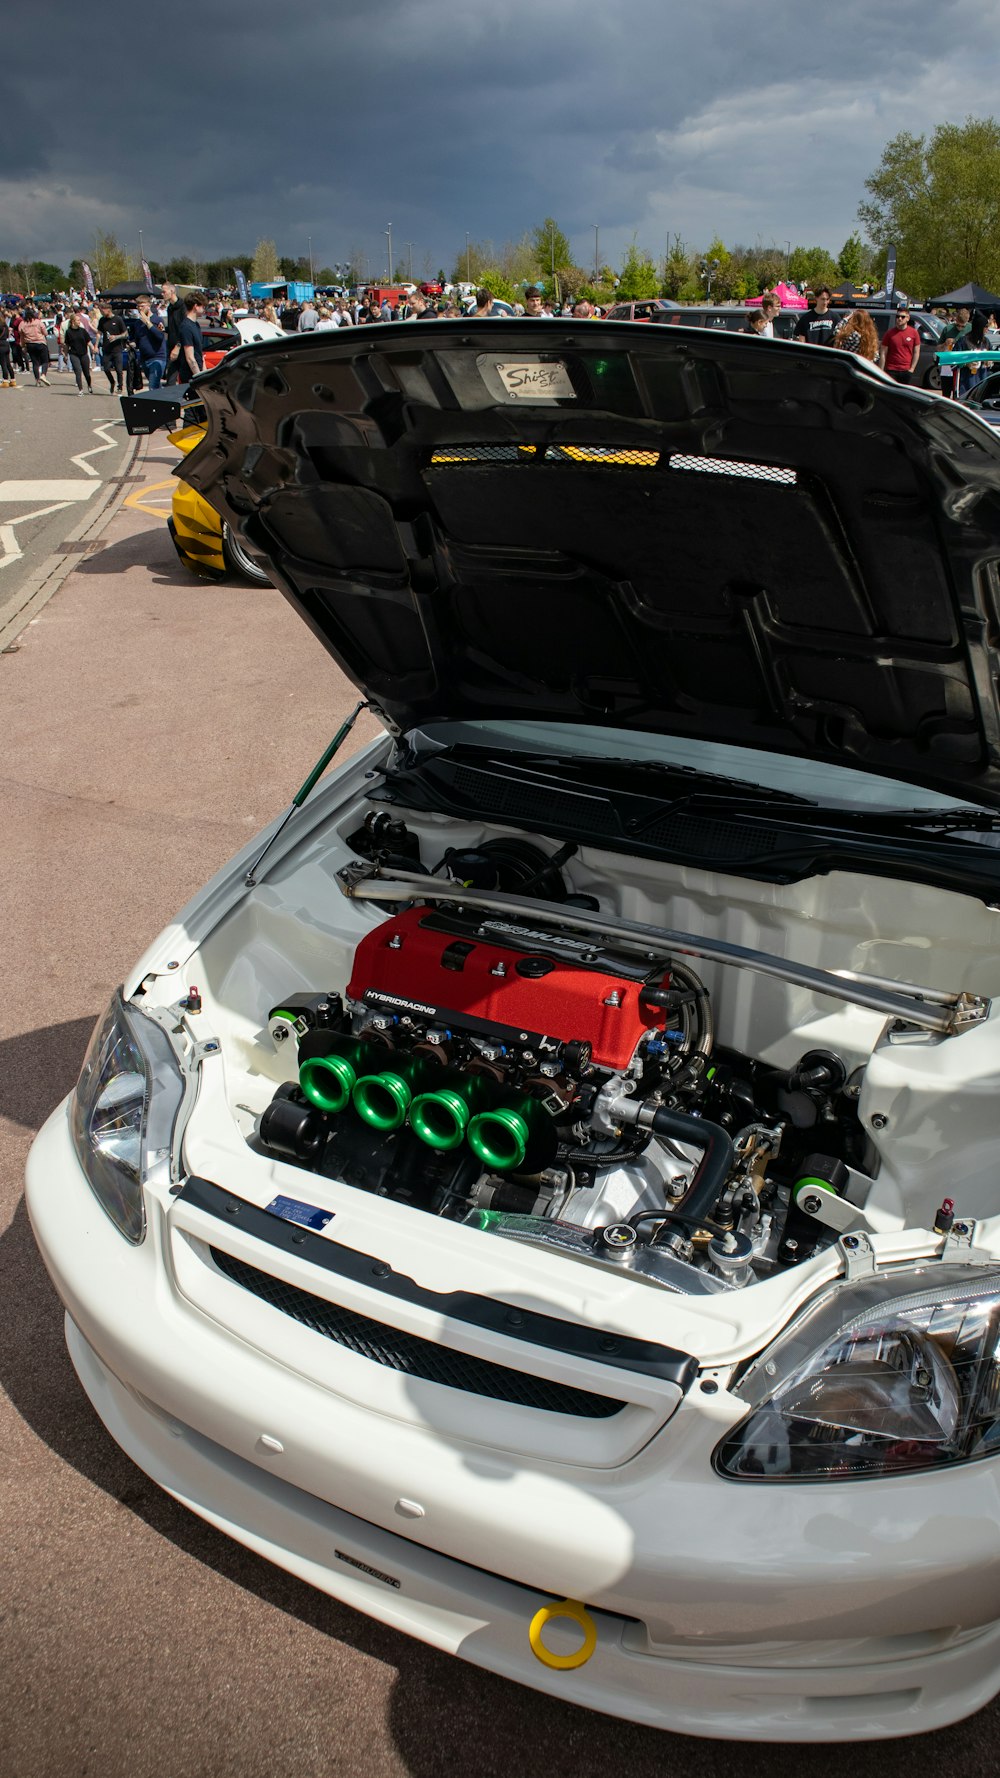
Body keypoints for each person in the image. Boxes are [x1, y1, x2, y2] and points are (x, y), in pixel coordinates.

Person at [878, 306, 921, 384]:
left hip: (906, 371)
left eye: (902, 317)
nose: (899, 319)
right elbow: (883, 353)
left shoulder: (914, 333)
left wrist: (912, 369)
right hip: (891, 370)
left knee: (903, 394)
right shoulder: (889, 333)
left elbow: (916, 352)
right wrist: (881, 371)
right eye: (897, 316)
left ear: (908, 318)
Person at [170, 293, 205, 381]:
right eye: (203, 306)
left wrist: (205, 372)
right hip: (190, 376)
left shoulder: (196, 325)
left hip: (199, 372)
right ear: (196, 306)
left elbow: (199, 352)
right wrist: (199, 378)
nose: (204, 309)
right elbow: (190, 357)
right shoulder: (186, 327)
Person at [96, 300, 129, 393]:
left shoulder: (118, 319)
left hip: (117, 348)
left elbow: (125, 333)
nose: (101, 313)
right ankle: (112, 382)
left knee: (119, 369)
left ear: (108, 310)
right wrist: (96, 346)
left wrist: (116, 337)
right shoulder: (102, 320)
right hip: (106, 348)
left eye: (102, 311)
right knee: (106, 368)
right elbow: (99, 333)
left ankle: (120, 386)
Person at [133, 299, 167, 389]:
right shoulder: (137, 323)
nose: (140, 309)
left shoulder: (157, 320)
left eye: (142, 306)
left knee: (152, 387)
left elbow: (160, 336)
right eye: (138, 306)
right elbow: (137, 340)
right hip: (145, 359)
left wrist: (147, 322)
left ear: (149, 306)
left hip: (157, 358)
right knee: (156, 387)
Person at [64, 307, 94, 393]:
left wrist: (93, 348)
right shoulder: (68, 332)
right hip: (74, 354)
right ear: (73, 322)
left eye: (79, 320)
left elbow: (88, 341)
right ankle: (80, 390)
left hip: (84, 354)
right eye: (77, 320)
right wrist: (65, 355)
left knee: (86, 373)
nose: (79, 322)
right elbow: (67, 344)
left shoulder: (82, 331)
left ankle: (89, 385)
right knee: (78, 371)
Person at [19, 305, 50, 386]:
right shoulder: (38, 322)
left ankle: (37, 380)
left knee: (35, 363)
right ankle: (43, 375)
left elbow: (21, 336)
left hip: (30, 344)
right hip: (40, 343)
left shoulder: (22, 324)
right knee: (45, 361)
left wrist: (23, 346)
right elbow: (45, 333)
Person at [0, 311, 17, 386]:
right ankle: (13, 379)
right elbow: (7, 335)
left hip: (0, 345)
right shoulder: (5, 326)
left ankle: (5, 380)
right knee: (8, 363)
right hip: (6, 344)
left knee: (3, 363)